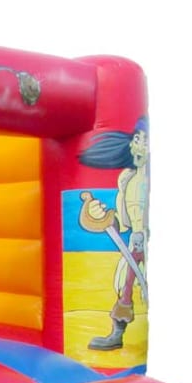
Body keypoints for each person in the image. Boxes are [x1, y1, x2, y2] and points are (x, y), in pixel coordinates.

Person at [78, 117, 149, 351]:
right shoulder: (129, 178)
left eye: (144, 140)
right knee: (124, 285)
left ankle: (120, 332)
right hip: (134, 242)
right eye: (137, 139)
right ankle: (118, 332)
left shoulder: (145, 179)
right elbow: (123, 221)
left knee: (133, 287)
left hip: (144, 242)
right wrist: (99, 215)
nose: (140, 146)